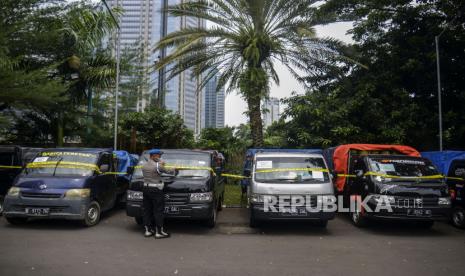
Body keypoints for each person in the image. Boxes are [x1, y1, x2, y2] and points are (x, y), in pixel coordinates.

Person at [141, 149, 176, 238]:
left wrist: (160, 162)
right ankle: (159, 232)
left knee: (147, 210)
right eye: (158, 156)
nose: (160, 157)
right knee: (158, 210)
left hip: (145, 188)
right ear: (153, 156)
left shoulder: (144, 165)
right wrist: (174, 168)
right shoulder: (158, 166)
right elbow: (169, 171)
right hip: (155, 189)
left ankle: (148, 230)